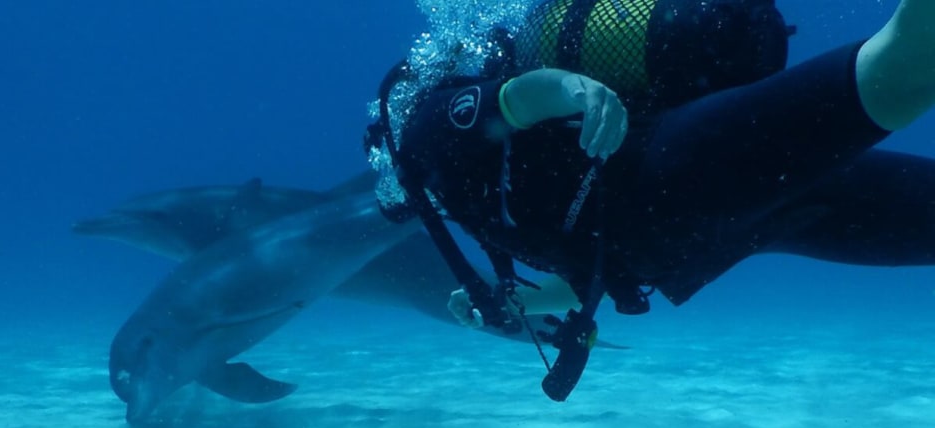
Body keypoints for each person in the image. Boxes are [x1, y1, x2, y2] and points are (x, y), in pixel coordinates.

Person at [367, 0, 935, 401]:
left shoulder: (425, 134)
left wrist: (580, 91)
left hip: (665, 176)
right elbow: (586, 269)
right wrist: (514, 304)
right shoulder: (477, 206)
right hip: (689, 231)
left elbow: (518, 96)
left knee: (899, 73)